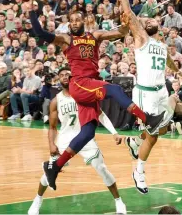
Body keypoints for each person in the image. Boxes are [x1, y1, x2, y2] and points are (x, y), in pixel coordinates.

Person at [23, 0, 165, 190]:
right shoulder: (66, 40)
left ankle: (53, 168)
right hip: (81, 84)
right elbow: (41, 34)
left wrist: (125, 22)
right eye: (70, 20)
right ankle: (148, 120)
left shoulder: (95, 35)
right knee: (115, 89)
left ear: (84, 20)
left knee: (88, 132)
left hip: (90, 85)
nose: (73, 23)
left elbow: (122, 33)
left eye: (76, 19)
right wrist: (32, 11)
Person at [113, 0, 182, 194]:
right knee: (154, 136)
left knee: (161, 130)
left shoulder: (161, 45)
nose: (149, 18)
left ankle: (136, 142)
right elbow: (127, 10)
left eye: (152, 18)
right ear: (142, 26)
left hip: (161, 90)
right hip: (145, 93)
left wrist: (177, 70)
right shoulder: (141, 37)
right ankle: (139, 171)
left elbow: (168, 62)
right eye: (145, 19)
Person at [28, 68, 127, 215]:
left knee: (102, 169)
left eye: (67, 74)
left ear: (73, 77)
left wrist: (114, 132)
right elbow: (53, 127)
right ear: (58, 80)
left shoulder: (84, 94)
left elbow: (100, 114)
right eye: (61, 75)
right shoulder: (56, 101)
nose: (64, 77)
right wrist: (51, 144)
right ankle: (37, 200)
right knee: (50, 172)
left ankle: (119, 202)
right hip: (65, 139)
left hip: (85, 137)